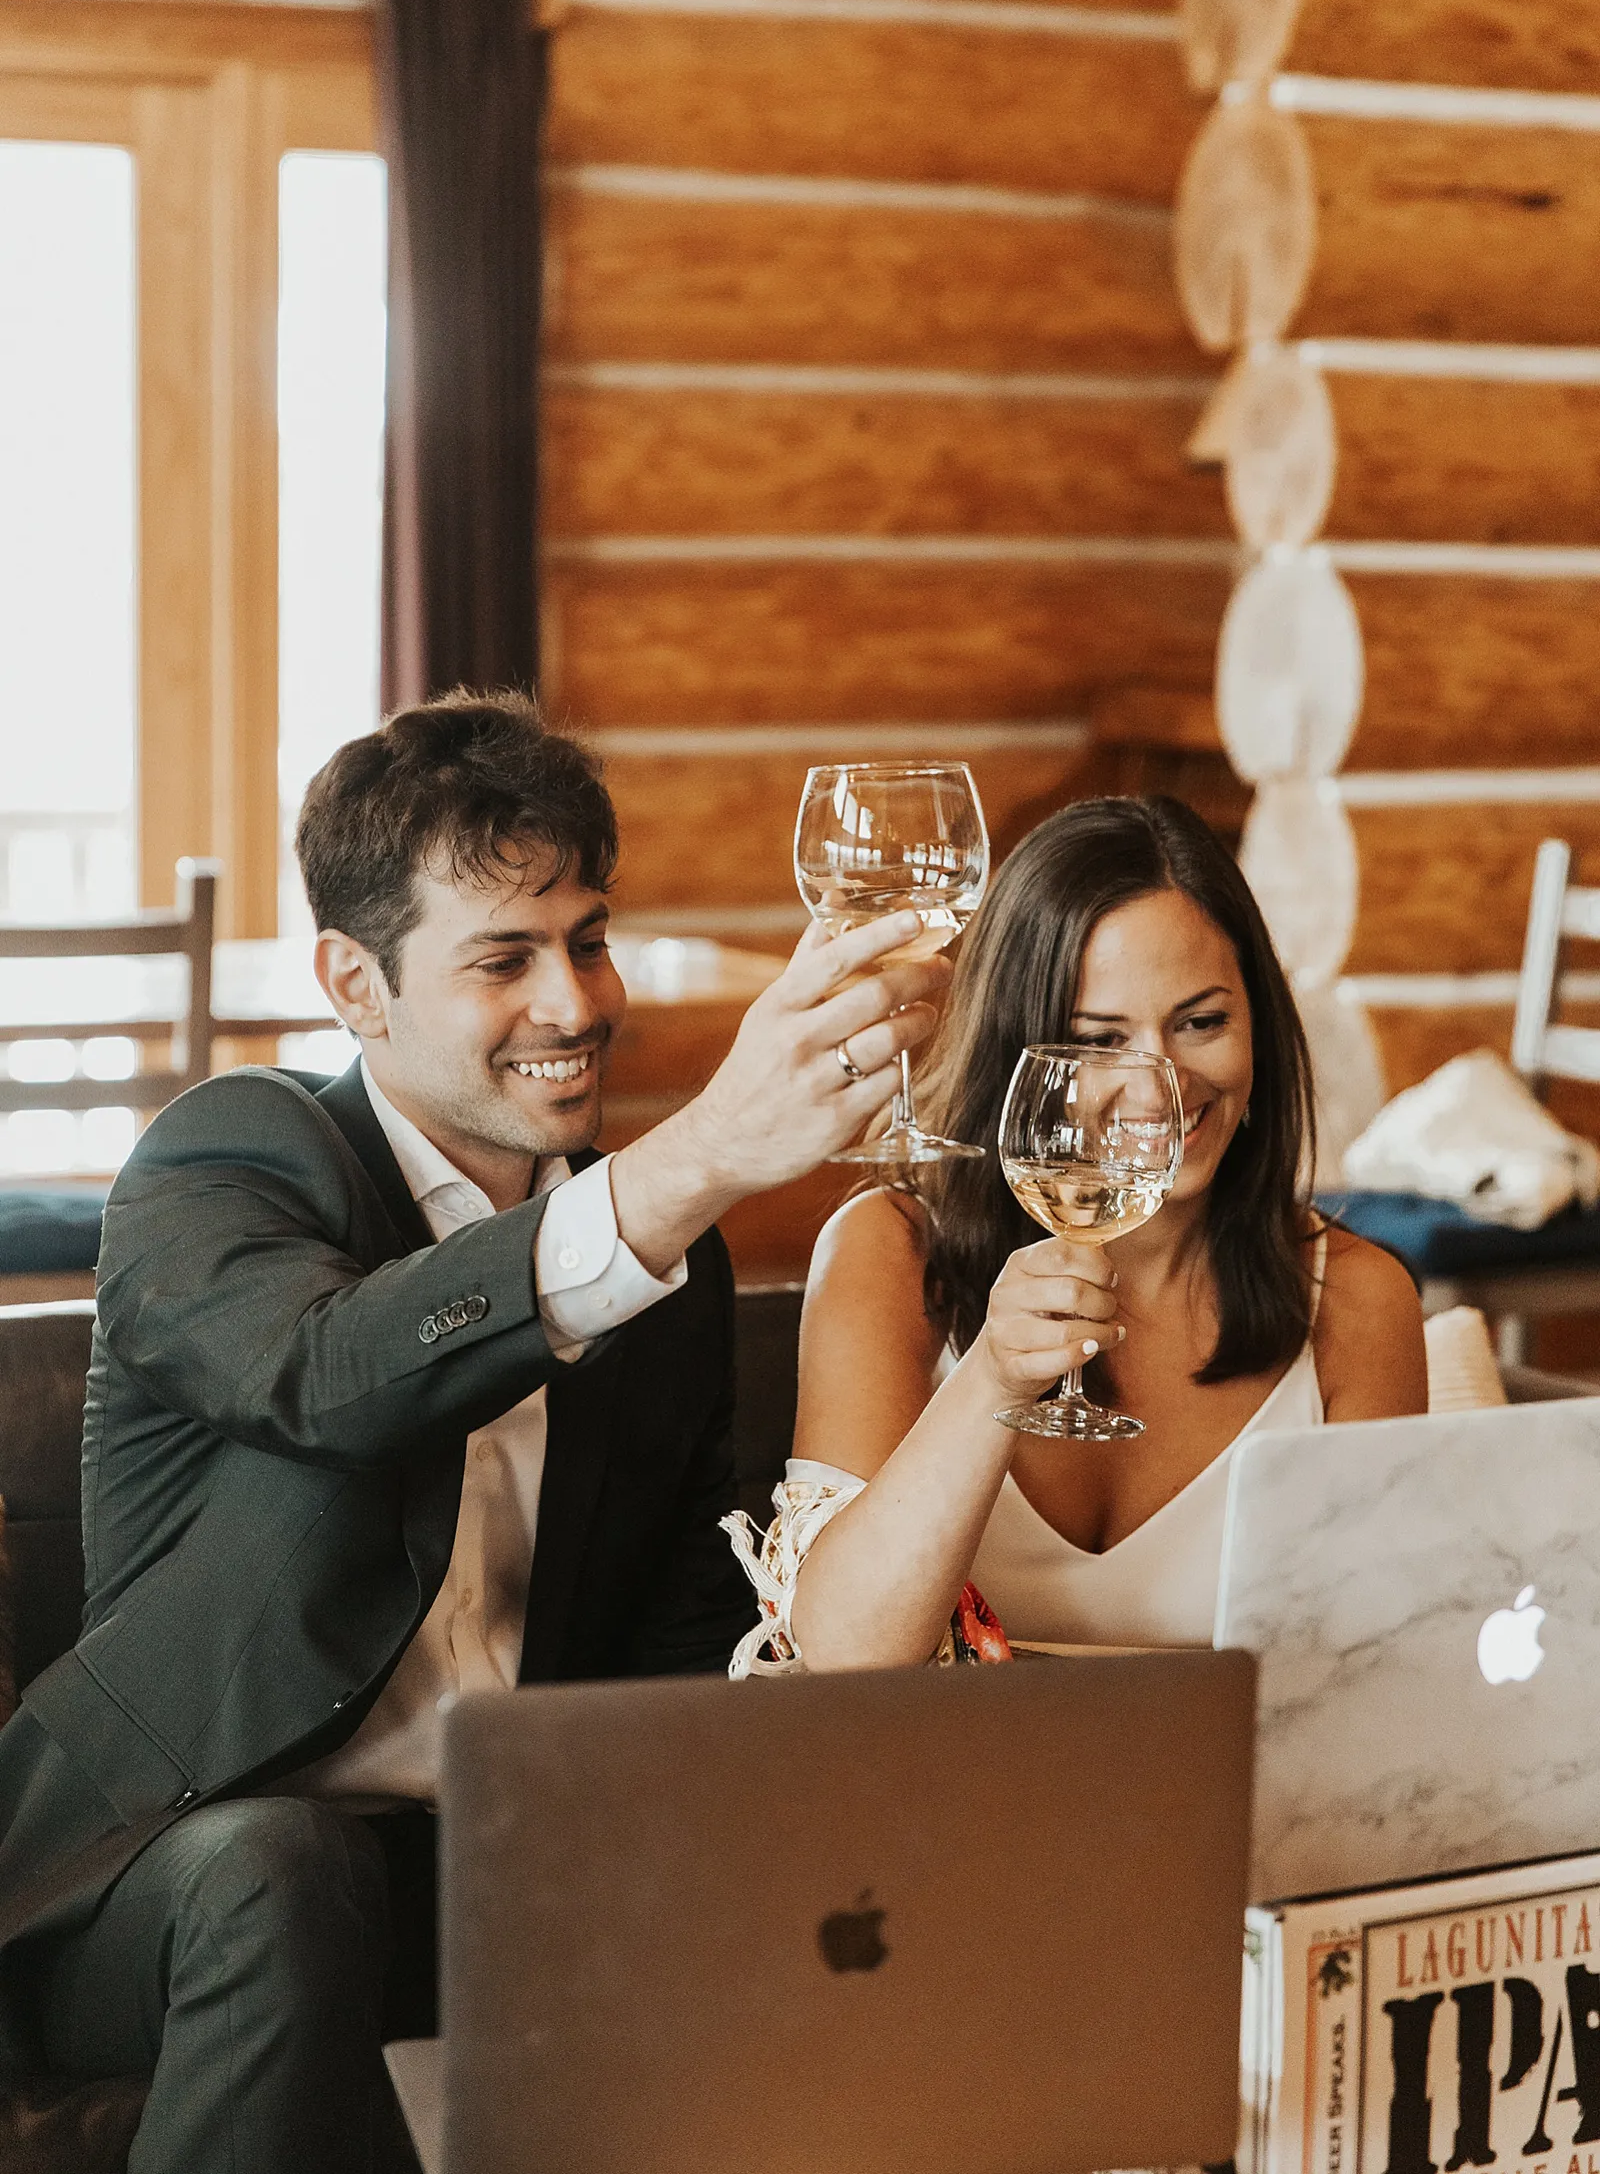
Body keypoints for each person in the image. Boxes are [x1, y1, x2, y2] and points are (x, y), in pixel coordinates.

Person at [0, 689, 951, 2171]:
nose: (573, 1003)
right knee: (284, 1866)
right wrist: (696, 1157)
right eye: (503, 957)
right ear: (356, 984)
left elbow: (668, 1635)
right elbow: (332, 1374)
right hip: (156, 1883)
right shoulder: (227, 1160)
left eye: (588, 936)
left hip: (485, 1879)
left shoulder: (665, 1257)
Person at [728, 795, 1427, 1676]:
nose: (1158, 1087)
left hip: (1247, 1805)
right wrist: (993, 1371)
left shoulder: (1355, 1296)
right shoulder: (890, 1249)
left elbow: (1375, 1669)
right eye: (1101, 1041)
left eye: (1202, 1021)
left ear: (1260, 1022)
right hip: (952, 1800)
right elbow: (846, 1658)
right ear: (1018, 1059)